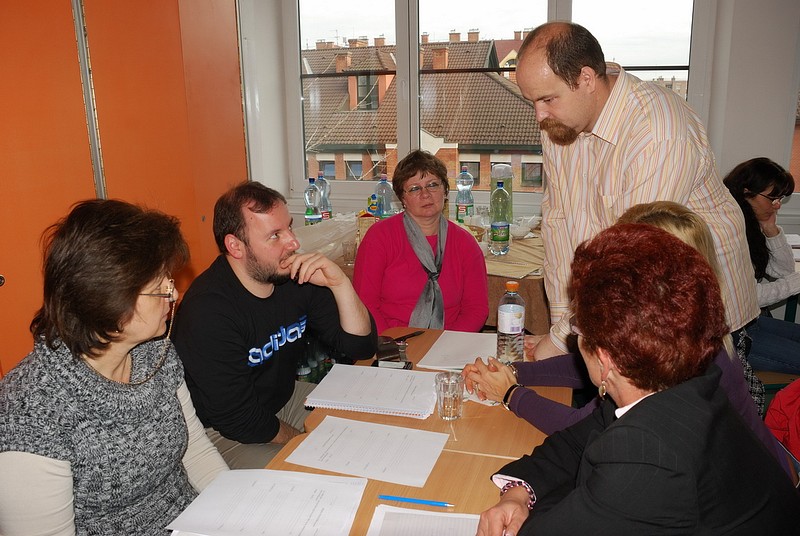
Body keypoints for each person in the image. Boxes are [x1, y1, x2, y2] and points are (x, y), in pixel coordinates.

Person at [476, 224, 800, 536]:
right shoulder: (665, 381)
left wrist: (532, 510)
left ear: (604, 360)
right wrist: (519, 492)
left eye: (577, 330)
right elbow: (573, 443)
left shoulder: (648, 456)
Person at [514, 22, 759, 360]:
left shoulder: (658, 131)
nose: (539, 115)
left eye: (547, 99)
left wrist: (561, 340)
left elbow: (631, 256)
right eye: (533, 101)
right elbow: (559, 224)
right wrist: (565, 333)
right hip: (628, 302)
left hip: (698, 313)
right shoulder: (559, 121)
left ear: (586, 79)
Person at [0, 200, 228, 535]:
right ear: (106, 302)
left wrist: (236, 511)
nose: (174, 294)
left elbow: (195, 452)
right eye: (160, 289)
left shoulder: (154, 351)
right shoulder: (31, 412)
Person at [172, 182, 378, 469]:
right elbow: (239, 419)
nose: (293, 243)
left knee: (371, 425)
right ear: (235, 246)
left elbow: (361, 347)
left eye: (289, 228)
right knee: (312, 469)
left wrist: (340, 284)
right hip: (222, 432)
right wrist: (303, 441)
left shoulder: (292, 276)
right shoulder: (208, 312)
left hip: (282, 400)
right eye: (275, 236)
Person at [353, 150, 489, 334]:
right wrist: (393, 343)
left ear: (445, 191)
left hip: (449, 340)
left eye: (432, 185)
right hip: (390, 340)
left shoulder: (465, 244)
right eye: (415, 188)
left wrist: (447, 343)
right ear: (402, 198)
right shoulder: (379, 237)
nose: (425, 194)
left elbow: (476, 309)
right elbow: (364, 304)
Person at [723, 157, 800, 374]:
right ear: (746, 192)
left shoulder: (750, 223)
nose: (777, 205)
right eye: (772, 198)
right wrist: (796, 282)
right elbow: (749, 296)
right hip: (729, 337)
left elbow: (784, 271)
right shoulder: (729, 232)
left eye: (780, 198)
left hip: (748, 321)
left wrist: (770, 228)